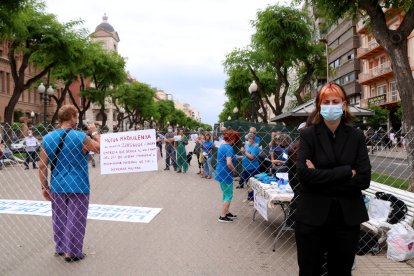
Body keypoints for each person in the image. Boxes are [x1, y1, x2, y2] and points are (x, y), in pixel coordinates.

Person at [295, 83, 371, 275]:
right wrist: (347, 171)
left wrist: (319, 176)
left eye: (335, 101)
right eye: (326, 102)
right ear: (319, 107)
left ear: (344, 105)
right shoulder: (308, 135)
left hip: (346, 220)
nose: (331, 105)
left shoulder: (356, 137)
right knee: (309, 270)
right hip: (312, 218)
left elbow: (364, 179)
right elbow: (303, 176)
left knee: (341, 271)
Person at [38, 105, 100, 263]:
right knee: (76, 218)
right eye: (75, 116)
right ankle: (72, 251)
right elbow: (99, 148)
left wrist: (45, 186)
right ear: (72, 117)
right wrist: (93, 131)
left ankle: (60, 247)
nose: (76, 119)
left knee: (59, 217)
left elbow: (42, 165)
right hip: (78, 184)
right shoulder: (80, 137)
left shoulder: (47, 138)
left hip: (58, 184)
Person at [214, 130, 241, 222]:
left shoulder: (223, 146)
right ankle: (222, 216)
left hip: (220, 172)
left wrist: (241, 157)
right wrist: (234, 171)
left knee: (225, 193)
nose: (236, 141)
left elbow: (230, 157)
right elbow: (229, 163)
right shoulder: (229, 148)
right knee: (229, 194)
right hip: (226, 173)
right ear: (232, 139)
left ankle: (226, 212)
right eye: (236, 139)